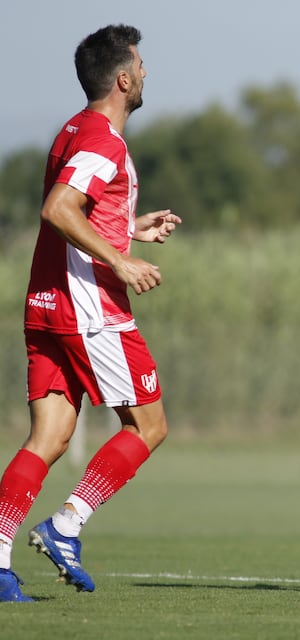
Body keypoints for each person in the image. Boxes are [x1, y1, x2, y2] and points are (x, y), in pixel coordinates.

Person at [0, 24, 180, 603]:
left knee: (48, 437)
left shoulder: (71, 131)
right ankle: (65, 526)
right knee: (149, 426)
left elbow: (77, 213)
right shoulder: (104, 139)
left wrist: (129, 229)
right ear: (124, 79)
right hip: (89, 309)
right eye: (142, 66)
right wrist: (122, 263)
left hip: (45, 303)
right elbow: (59, 209)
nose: (147, 73)